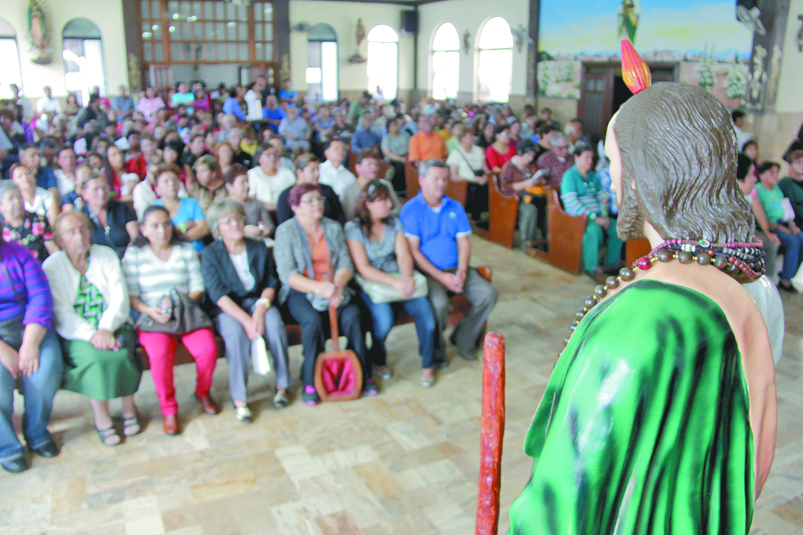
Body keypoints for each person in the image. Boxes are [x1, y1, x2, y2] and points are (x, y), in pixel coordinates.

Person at [508, 79, 776, 535]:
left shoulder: (641, 319)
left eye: (614, 163)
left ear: (643, 172)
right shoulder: (746, 290)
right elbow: (752, 459)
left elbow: (565, 498)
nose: (611, 179)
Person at [43, 212, 141, 446]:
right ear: (60, 239)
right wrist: (92, 334)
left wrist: (106, 328)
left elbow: (119, 297)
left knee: (122, 351)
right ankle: (102, 417)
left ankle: (129, 408)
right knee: (97, 359)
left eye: (84, 229)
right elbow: (61, 311)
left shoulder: (105, 255)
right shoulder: (52, 266)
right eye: (72, 232)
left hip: (114, 324)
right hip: (77, 333)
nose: (80, 235)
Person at [273, 183, 375, 405]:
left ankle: (361, 372)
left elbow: (346, 263)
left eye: (319, 199)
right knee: (312, 322)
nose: (317, 204)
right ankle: (311, 379)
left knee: (353, 317)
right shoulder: (286, 231)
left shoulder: (332, 227)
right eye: (310, 200)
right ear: (294, 206)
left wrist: (337, 285)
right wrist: (318, 287)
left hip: (334, 286)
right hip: (302, 290)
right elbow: (287, 274)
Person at [122, 206, 219, 435]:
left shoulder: (185, 250)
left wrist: (176, 301)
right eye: (154, 226)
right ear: (144, 230)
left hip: (186, 312)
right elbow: (132, 295)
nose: (162, 230)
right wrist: (151, 310)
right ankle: (169, 409)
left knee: (208, 350)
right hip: (152, 317)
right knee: (159, 356)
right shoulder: (135, 255)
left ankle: (203, 392)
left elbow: (197, 288)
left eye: (166, 224)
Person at [400, 159, 498, 365]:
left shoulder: (455, 207)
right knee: (438, 304)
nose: (441, 183)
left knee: (488, 294)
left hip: (456, 268)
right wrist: (441, 276)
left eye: (444, 178)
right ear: (421, 180)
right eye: (435, 178)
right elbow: (414, 252)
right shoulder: (411, 209)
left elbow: (464, 243)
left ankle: (463, 338)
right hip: (428, 272)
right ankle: (436, 352)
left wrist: (462, 270)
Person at [202, 200, 292, 421]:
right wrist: (246, 320)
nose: (235, 224)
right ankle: (240, 399)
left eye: (239, 218)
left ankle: (282, 385)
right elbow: (218, 295)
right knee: (235, 336)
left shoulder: (257, 246)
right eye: (228, 221)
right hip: (228, 308)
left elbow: (271, 282)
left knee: (275, 325)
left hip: (258, 302)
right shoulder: (211, 254)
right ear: (218, 229)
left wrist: (260, 311)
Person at [345, 180, 437, 386]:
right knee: (383, 321)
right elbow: (363, 267)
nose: (389, 204)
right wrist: (393, 283)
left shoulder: (394, 223)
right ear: (368, 203)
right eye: (382, 200)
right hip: (373, 282)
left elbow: (403, 255)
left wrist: (406, 276)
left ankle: (428, 363)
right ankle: (378, 358)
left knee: (426, 316)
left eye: (388, 199)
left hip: (396, 275)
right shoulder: (354, 228)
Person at [0, 235, 63, 473]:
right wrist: (4, 352)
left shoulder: (19, 254)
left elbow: (40, 296)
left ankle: (36, 431)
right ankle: (7, 446)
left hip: (30, 326)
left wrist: (29, 344)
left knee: (45, 370)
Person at [561, 143, 623, 279]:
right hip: (579, 217)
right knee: (593, 231)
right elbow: (572, 202)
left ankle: (609, 264)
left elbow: (603, 197)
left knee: (618, 229)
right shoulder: (570, 176)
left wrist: (605, 215)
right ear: (576, 157)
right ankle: (591, 267)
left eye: (592, 157)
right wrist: (593, 217)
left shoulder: (593, 176)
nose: (590, 160)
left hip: (599, 214)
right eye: (587, 157)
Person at [755, 160, 803, 292]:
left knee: (801, 237)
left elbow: (786, 208)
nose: (776, 175)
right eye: (772, 172)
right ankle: (786, 280)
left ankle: (795, 276)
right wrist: (783, 229)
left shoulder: (776, 189)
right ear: (762, 174)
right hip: (769, 226)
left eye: (777, 172)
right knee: (793, 241)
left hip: (782, 223)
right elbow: (762, 217)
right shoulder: (758, 190)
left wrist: (792, 225)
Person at [737, 154, 781, 286]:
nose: (755, 179)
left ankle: (768, 282)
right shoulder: (726, 199)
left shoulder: (751, 191)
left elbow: (758, 211)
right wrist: (752, 237)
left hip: (748, 229)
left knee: (770, 242)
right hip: (737, 237)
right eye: (751, 175)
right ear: (739, 179)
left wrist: (767, 231)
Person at [499, 139, 547, 247]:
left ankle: (546, 239)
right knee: (530, 210)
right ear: (520, 153)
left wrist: (538, 180)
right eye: (529, 155)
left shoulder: (530, 166)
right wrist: (525, 184)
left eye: (532, 155)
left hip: (532, 196)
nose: (531, 158)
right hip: (515, 199)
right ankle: (527, 242)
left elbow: (541, 178)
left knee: (548, 206)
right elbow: (505, 188)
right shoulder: (509, 167)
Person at [153, 164, 209, 253]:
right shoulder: (154, 209)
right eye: (166, 181)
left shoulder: (191, 202)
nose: (171, 183)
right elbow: (156, 237)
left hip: (197, 253)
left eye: (174, 180)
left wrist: (178, 235)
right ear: (157, 188)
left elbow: (204, 229)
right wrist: (187, 225)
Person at [80, 173, 138, 259]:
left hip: (128, 258)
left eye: (104, 187)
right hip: (99, 262)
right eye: (95, 189)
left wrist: (128, 258)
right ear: (84, 194)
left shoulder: (121, 208)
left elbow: (135, 237)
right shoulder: (81, 216)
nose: (101, 192)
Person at [277, 154, 344, 225]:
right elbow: (284, 224)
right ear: (299, 172)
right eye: (312, 170)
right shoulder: (286, 195)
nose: (317, 174)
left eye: (318, 170)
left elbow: (340, 217)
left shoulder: (327, 190)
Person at [0, 182, 56, 262]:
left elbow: (53, 249)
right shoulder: (1, 229)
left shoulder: (39, 220)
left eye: (19, 197)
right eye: (10, 198)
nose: (17, 201)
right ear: (1, 206)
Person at [340, 149, 401, 221]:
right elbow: (349, 217)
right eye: (369, 164)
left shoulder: (385, 184)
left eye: (376, 164)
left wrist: (383, 215)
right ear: (358, 167)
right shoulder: (349, 190)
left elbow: (398, 209)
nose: (374, 167)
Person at [447, 128, 490, 221]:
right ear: (462, 138)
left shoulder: (478, 150)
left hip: (481, 180)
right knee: (474, 189)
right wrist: (473, 179)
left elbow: (485, 168)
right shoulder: (456, 153)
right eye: (469, 136)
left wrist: (486, 177)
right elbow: (454, 176)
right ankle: (475, 218)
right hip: (466, 184)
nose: (472, 137)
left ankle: (486, 218)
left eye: (473, 135)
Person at [223, 164, 273, 238]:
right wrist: (243, 232)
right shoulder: (222, 207)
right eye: (242, 182)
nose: (247, 185)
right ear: (229, 187)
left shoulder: (255, 203)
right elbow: (217, 234)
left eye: (247, 181)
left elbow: (269, 225)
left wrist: (265, 230)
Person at [247, 144, 296, 212]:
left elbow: (295, 193)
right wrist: (276, 207)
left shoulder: (287, 172)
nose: (272, 157)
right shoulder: (253, 173)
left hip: (288, 210)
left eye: (274, 154)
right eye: (268, 154)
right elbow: (252, 198)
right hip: (264, 212)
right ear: (259, 158)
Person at [381, 117, 409, 193]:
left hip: (407, 155)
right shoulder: (387, 138)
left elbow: (411, 146)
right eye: (392, 125)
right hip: (394, 158)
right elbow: (387, 152)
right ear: (388, 128)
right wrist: (400, 158)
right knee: (398, 166)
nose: (395, 126)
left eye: (395, 124)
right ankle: (399, 190)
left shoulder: (405, 134)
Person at [779, 149, 803, 229]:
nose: (802, 165)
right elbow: (790, 205)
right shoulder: (785, 182)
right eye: (798, 162)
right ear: (790, 164)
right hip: (796, 222)